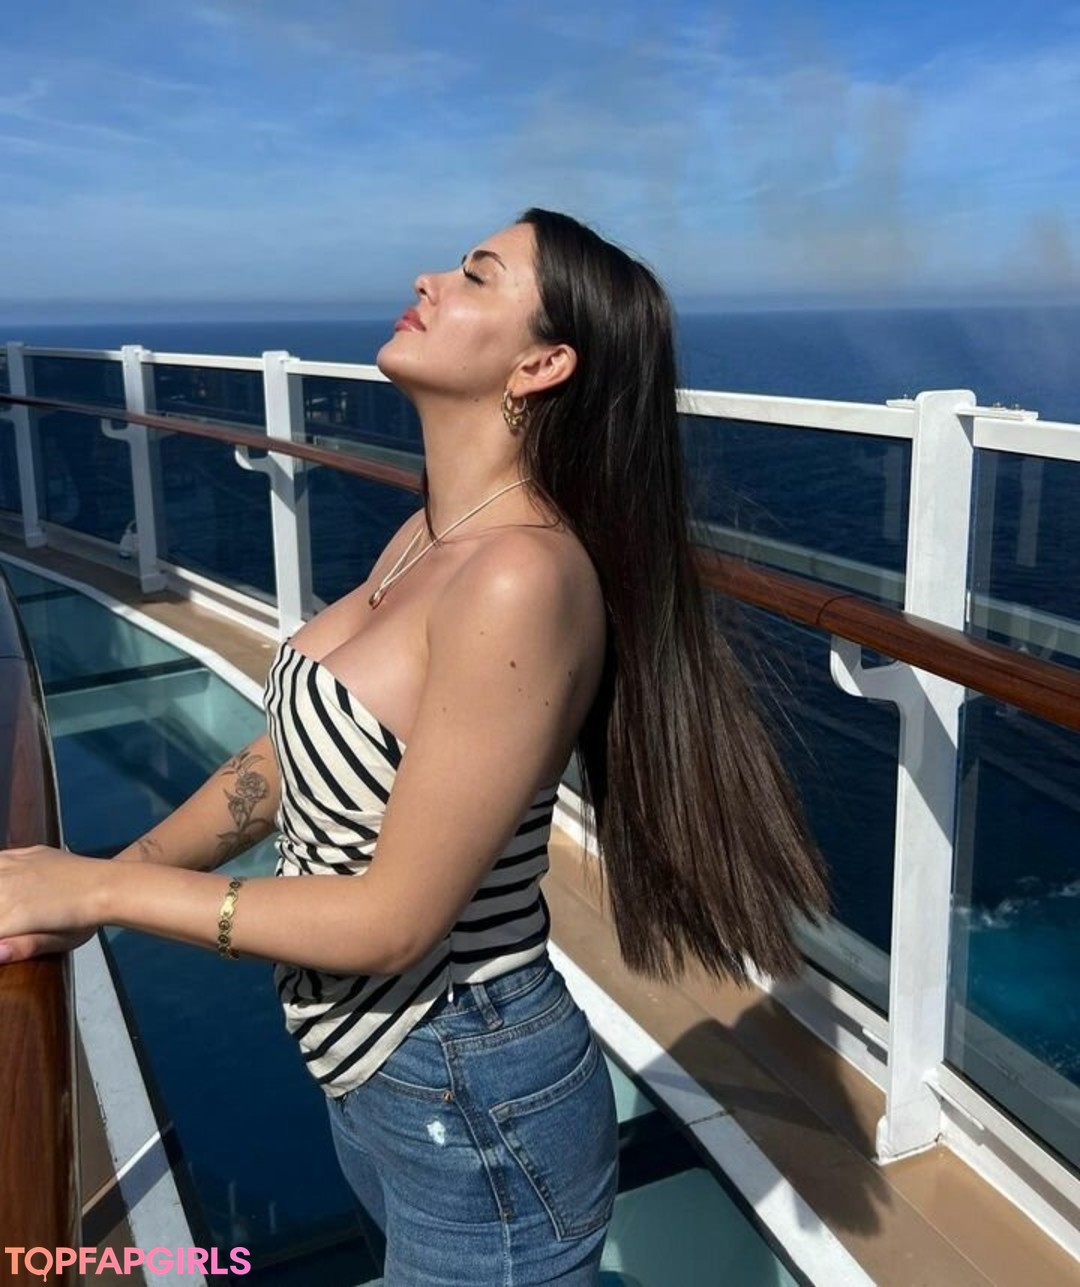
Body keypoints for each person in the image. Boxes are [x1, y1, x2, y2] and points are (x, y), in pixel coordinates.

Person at [0, 209, 828, 1284]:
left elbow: (393, 923)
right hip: (386, 1086)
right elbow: (286, 761)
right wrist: (108, 874)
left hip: (475, 1103)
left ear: (542, 363)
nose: (429, 278)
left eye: (477, 274)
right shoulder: (430, 535)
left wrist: (100, 894)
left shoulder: (520, 577)